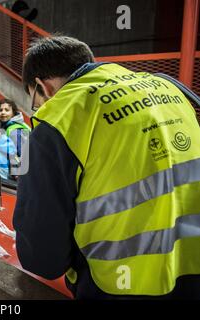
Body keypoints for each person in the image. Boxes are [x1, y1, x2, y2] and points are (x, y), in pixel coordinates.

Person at [13, 36, 200, 299]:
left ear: (43, 86)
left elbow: (43, 258)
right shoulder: (170, 89)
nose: (40, 108)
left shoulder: (58, 122)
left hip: (119, 286)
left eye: (35, 100)